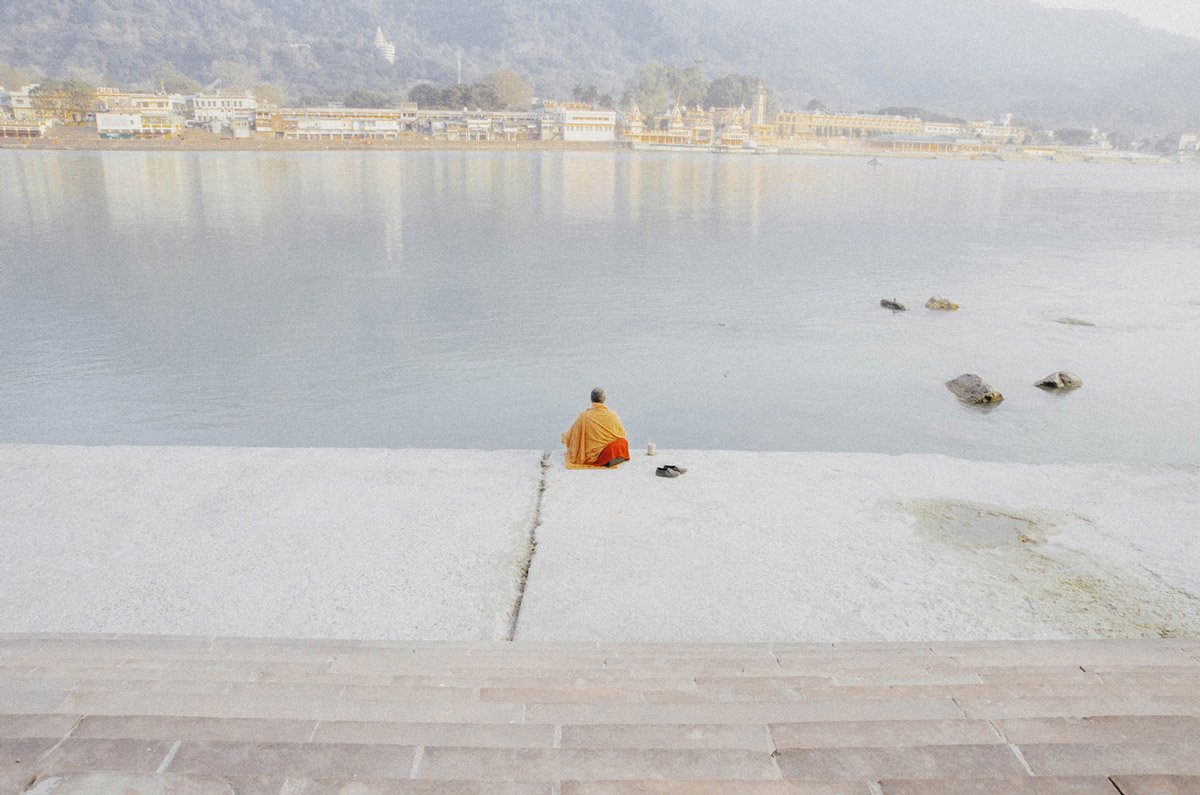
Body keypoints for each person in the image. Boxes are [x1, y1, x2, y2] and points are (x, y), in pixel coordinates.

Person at [561, 387, 630, 469]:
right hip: (605, 454)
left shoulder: (583, 416)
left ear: (591, 399)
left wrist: (564, 436)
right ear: (604, 399)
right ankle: (607, 461)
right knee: (623, 442)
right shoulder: (612, 415)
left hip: (587, 456)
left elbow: (573, 434)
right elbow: (621, 434)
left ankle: (604, 460)